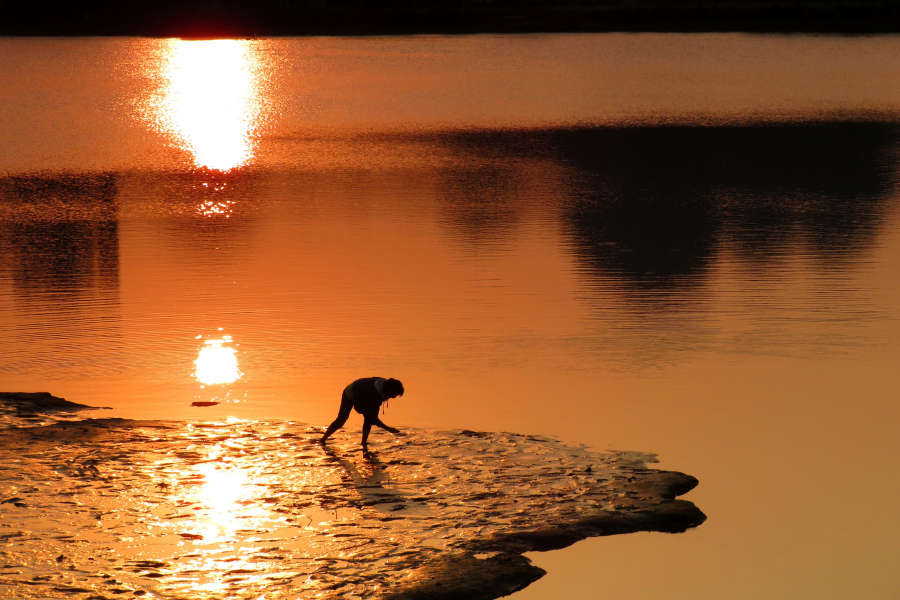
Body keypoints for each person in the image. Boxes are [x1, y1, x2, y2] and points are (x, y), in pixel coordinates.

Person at [320, 377, 404, 455]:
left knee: (368, 418)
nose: (394, 397)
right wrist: (389, 429)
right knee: (341, 420)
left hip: (362, 394)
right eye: (395, 394)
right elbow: (374, 419)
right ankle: (323, 439)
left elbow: (373, 415)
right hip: (350, 393)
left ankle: (363, 443)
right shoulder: (376, 394)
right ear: (389, 389)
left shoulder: (383, 387)